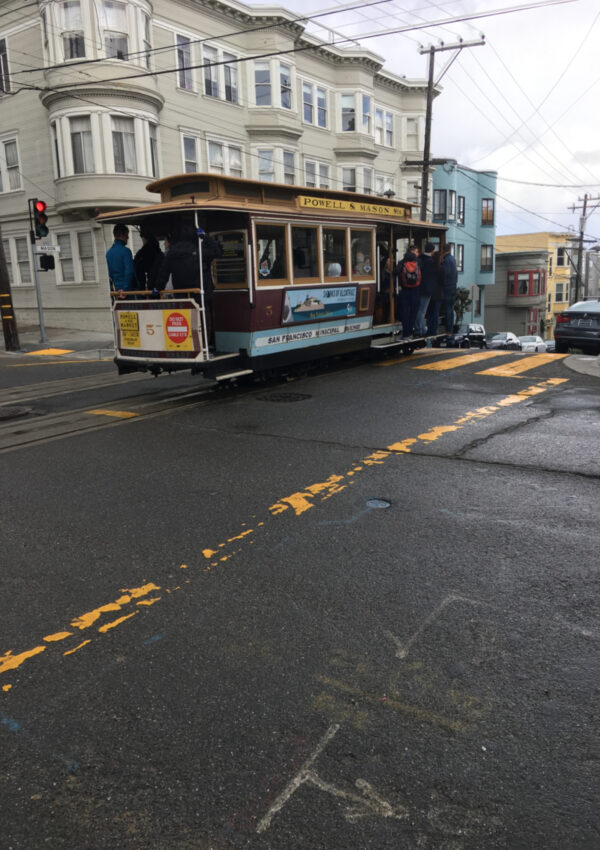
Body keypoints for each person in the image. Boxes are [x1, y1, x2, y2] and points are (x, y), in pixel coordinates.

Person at [155, 224, 223, 344]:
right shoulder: (199, 251)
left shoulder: (171, 253)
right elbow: (217, 251)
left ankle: (188, 345)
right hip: (200, 294)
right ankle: (204, 345)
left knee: (185, 321)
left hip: (181, 295)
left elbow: (163, 274)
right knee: (203, 321)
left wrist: (157, 288)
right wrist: (205, 237)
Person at [396, 245, 421, 339]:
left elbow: (395, 271)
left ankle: (405, 333)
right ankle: (411, 331)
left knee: (405, 312)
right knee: (413, 312)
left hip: (405, 290)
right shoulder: (418, 262)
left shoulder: (402, 263)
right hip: (415, 290)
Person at [106, 224, 136, 296]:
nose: (128, 237)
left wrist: (117, 289)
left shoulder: (108, 253)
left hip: (116, 291)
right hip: (128, 291)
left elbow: (109, 274)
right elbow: (129, 271)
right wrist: (125, 289)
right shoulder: (126, 251)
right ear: (122, 235)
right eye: (127, 234)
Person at [414, 242, 437, 337]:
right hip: (427, 290)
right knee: (422, 310)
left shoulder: (420, 259)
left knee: (419, 310)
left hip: (418, 287)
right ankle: (421, 329)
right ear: (432, 251)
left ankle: (419, 327)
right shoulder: (431, 262)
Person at [441, 245, 458, 334]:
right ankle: (450, 327)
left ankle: (448, 327)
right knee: (450, 308)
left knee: (447, 308)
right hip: (453, 286)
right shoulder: (453, 259)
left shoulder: (446, 260)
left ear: (444, 250)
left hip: (447, 287)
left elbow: (445, 273)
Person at [426, 251, 444, 336]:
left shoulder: (430, 268)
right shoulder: (441, 269)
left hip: (430, 293)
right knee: (435, 314)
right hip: (438, 294)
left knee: (429, 313)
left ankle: (429, 329)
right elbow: (442, 281)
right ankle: (434, 330)